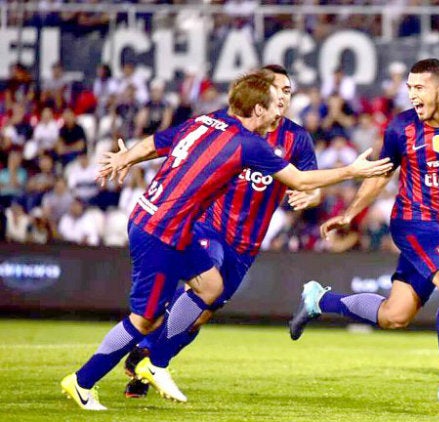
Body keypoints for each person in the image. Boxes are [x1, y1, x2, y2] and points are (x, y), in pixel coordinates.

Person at [60, 69, 392, 411]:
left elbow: (159, 143)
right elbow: (299, 178)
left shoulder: (211, 122)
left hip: (195, 230)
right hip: (177, 229)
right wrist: (352, 171)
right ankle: (87, 379)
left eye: (287, 94)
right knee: (145, 318)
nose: (281, 104)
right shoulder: (248, 142)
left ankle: (154, 361)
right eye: (275, 95)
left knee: (209, 290)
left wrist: (126, 156)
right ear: (258, 105)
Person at [288, 58, 439, 405]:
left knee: (394, 315)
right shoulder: (401, 127)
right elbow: (380, 176)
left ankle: (318, 299)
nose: (413, 95)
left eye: (420, 88)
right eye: (410, 89)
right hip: (413, 220)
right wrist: (350, 214)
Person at [120, 65, 322, 399]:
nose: (284, 97)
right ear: (260, 95)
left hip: (246, 244)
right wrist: (128, 158)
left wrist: (310, 195)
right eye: (278, 89)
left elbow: (310, 181)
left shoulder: (297, 138)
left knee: (200, 316)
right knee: (204, 282)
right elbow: (164, 142)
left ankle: (149, 361)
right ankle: (146, 341)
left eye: (288, 91)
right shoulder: (223, 126)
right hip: (207, 225)